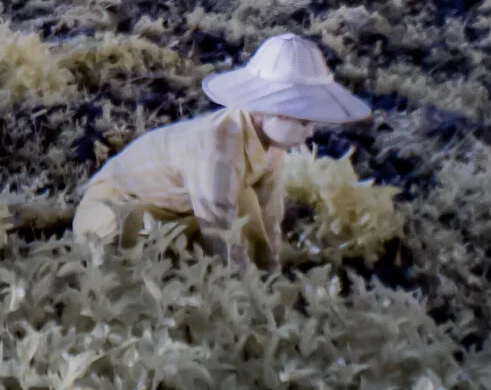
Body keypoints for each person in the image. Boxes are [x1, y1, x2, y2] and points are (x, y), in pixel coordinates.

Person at [73, 33, 368, 268]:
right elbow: (219, 226)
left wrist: (270, 267)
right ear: (267, 110)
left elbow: (269, 213)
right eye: (302, 121)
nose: (310, 132)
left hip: (176, 212)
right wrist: (242, 287)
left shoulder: (272, 148)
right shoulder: (217, 146)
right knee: (128, 248)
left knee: (246, 201)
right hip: (117, 205)